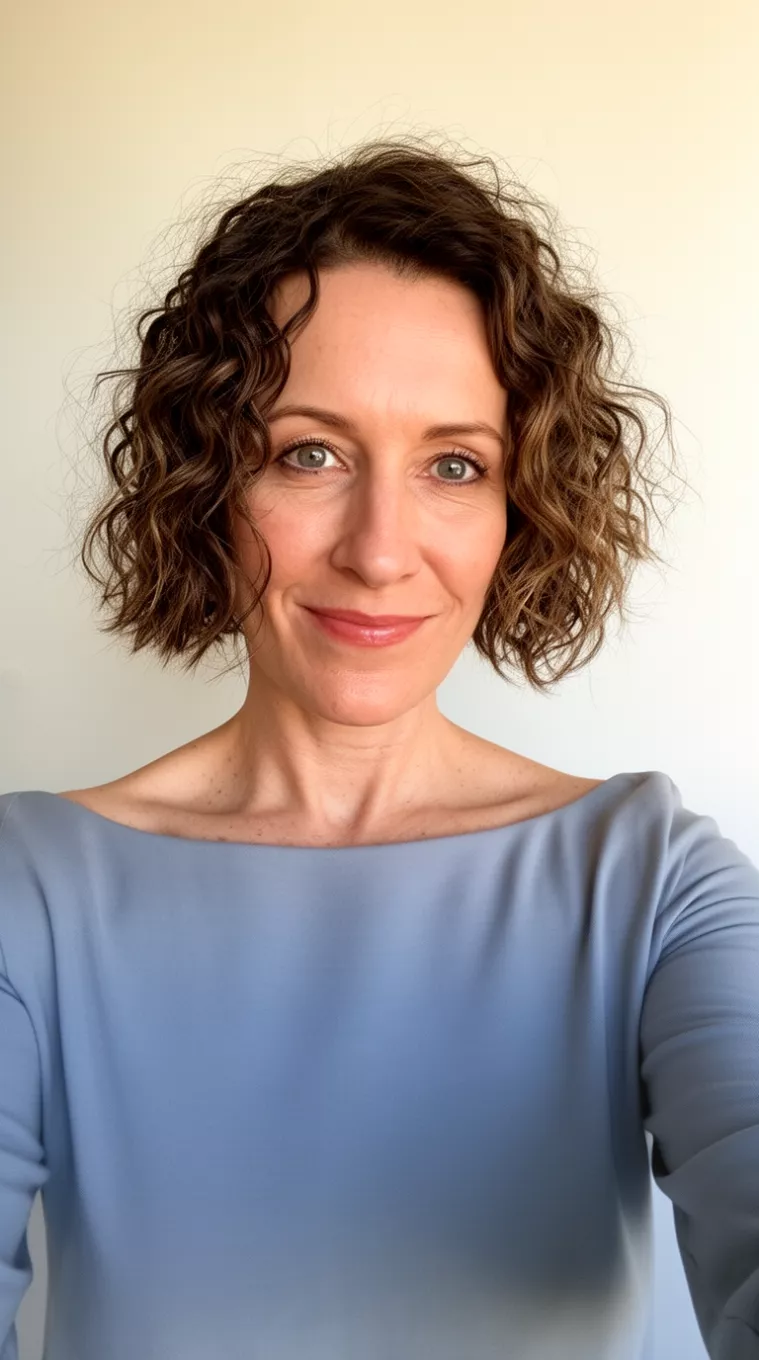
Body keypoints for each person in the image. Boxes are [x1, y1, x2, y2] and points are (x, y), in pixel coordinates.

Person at [1, 137, 758, 1360]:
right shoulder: (29, 890)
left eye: (455, 465)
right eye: (311, 453)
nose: (380, 547)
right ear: (209, 479)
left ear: (521, 509)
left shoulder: (655, 883)